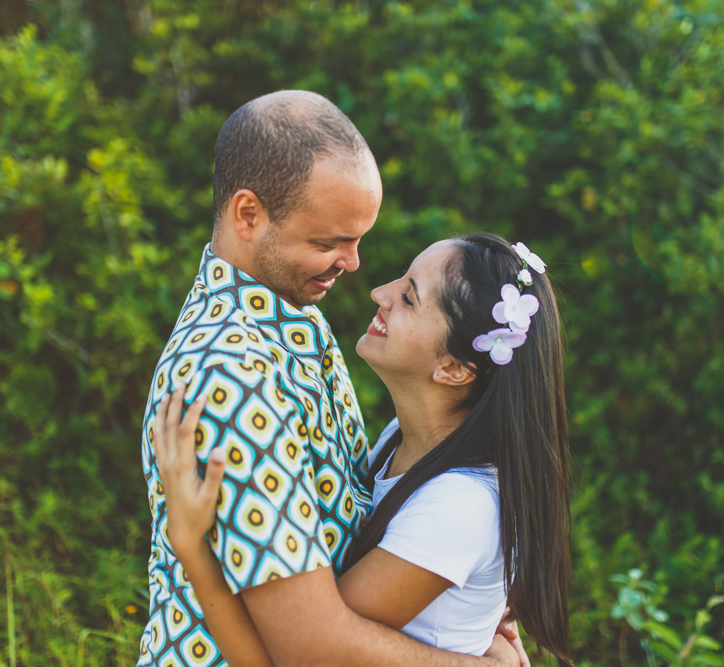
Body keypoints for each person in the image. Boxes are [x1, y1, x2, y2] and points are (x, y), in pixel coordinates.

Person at [138, 90, 524, 667]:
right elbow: (306, 649)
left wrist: (465, 601)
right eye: (328, 242)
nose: (356, 266)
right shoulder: (235, 378)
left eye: (358, 239)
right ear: (249, 215)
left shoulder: (295, 320)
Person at [154, 233, 572, 665]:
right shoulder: (403, 439)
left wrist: (190, 545)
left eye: (409, 298)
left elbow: (301, 657)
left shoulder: (459, 505)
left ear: (452, 369)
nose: (380, 293)